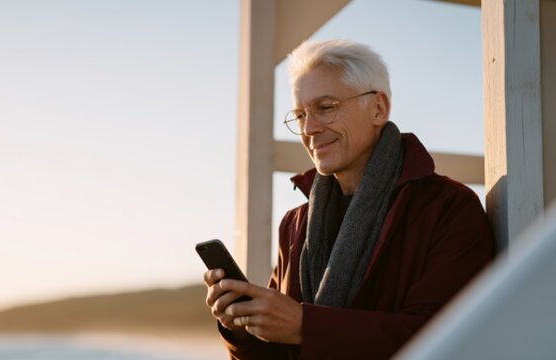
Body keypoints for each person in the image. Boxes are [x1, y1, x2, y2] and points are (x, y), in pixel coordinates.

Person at [204, 39, 495, 359]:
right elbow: (281, 354)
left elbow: (450, 339)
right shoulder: (295, 223)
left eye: (325, 108)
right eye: (300, 115)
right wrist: (241, 330)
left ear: (378, 108)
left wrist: (306, 326)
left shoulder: (448, 208)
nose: (309, 129)